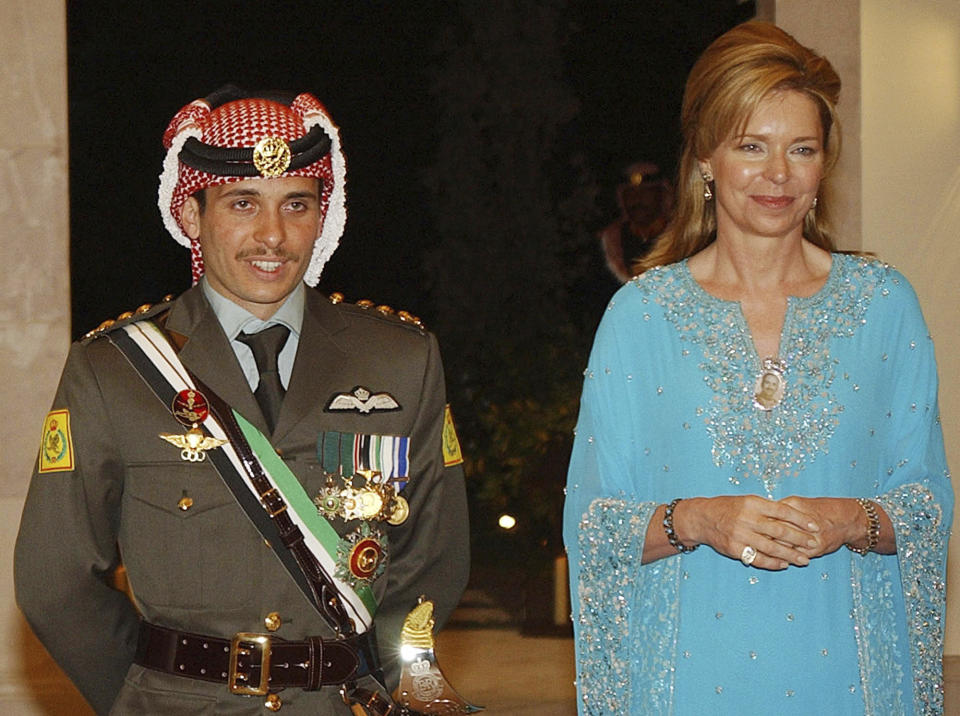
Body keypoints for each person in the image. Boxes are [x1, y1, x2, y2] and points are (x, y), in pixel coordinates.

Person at [15, 86, 470, 715]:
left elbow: (434, 560)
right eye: (242, 203)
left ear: (323, 215)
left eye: (297, 205)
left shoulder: (401, 358)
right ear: (193, 216)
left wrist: (372, 679)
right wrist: (143, 692)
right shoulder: (113, 370)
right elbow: (54, 580)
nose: (273, 235)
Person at [563, 22, 952, 715]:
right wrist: (699, 519)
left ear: (823, 163)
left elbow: (927, 508)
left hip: (851, 686)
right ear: (706, 160)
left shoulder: (884, 305)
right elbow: (592, 525)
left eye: (801, 149)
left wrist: (852, 518)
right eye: (752, 146)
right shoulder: (640, 316)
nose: (778, 174)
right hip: (685, 686)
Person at [598, 162, 673, 283]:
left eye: (646, 192)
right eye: (631, 193)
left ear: (662, 194)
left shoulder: (680, 237)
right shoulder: (610, 241)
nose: (637, 199)